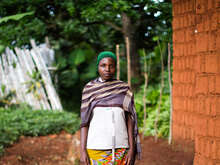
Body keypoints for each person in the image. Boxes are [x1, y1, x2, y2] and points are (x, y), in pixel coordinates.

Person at [80, 51, 141, 165]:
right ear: (98, 67)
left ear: (115, 67)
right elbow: (84, 123)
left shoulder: (123, 89)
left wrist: (132, 149)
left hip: (121, 149)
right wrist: (82, 151)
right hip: (96, 148)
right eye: (103, 65)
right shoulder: (89, 89)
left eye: (111, 66)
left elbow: (129, 120)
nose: (107, 69)